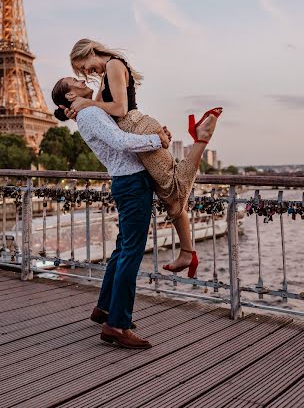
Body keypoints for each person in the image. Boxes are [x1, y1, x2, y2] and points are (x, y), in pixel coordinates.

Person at [62, 38, 222, 277]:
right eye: (81, 72)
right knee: (169, 194)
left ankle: (201, 138)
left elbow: (120, 110)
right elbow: (100, 113)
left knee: (174, 187)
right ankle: (188, 253)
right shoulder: (107, 73)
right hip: (135, 133)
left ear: (91, 51)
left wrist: (85, 102)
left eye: (83, 66)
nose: (86, 72)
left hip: (138, 129)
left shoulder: (114, 66)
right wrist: (79, 110)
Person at [52, 76, 171, 349]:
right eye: (75, 81)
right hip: (132, 181)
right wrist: (158, 139)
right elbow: (120, 141)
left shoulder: (89, 111)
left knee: (122, 249)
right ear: (70, 96)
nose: (82, 79)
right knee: (131, 253)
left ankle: (105, 308)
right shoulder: (91, 112)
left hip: (124, 180)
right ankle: (117, 325)